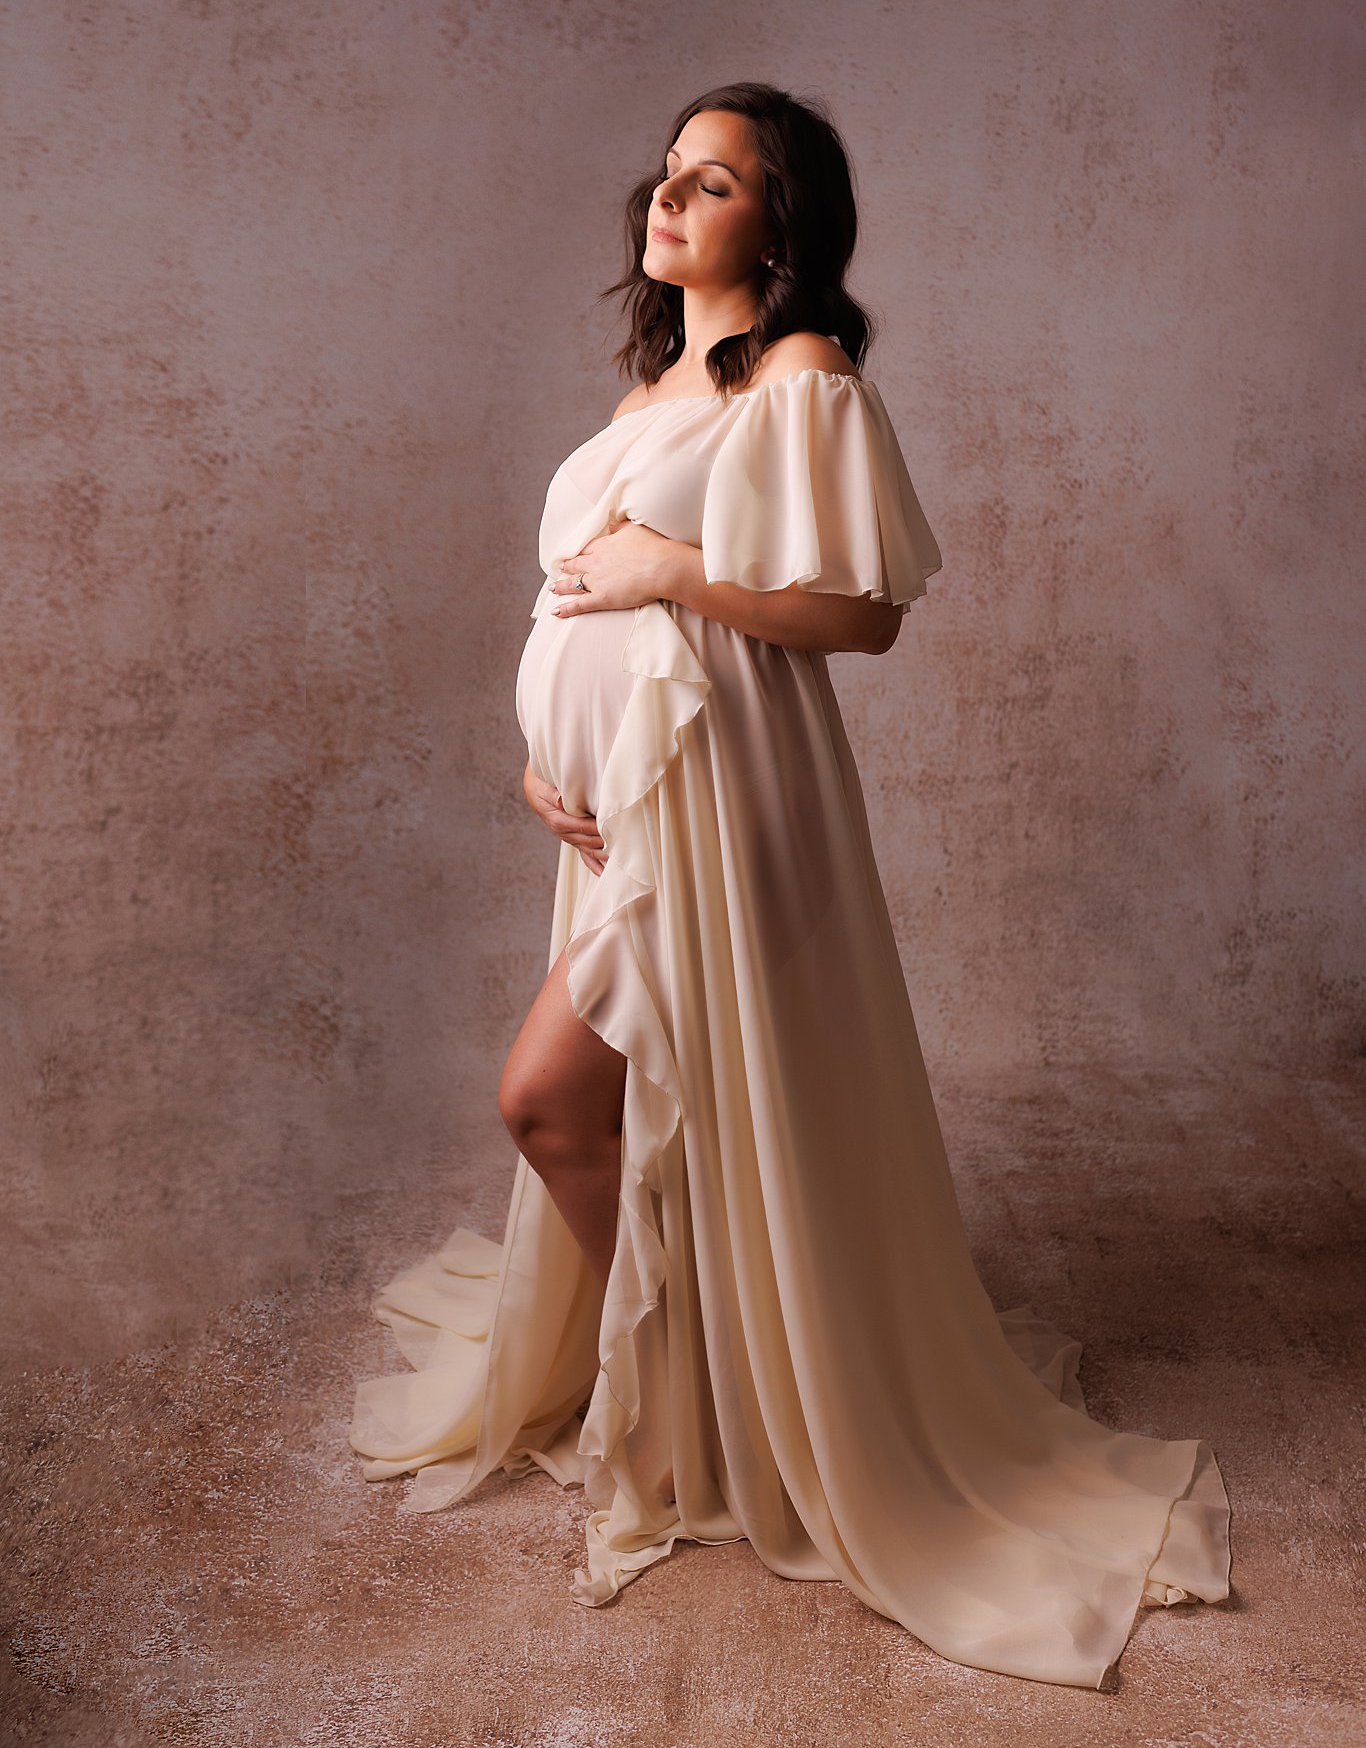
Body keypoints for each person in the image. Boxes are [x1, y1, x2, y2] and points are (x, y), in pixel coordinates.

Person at [349, 82, 1232, 1690]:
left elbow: (860, 614)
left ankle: (712, 1391)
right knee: (633, 1105)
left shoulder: (806, 378)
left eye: (718, 180)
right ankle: (686, 1380)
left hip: (727, 797)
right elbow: (577, 613)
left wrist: (669, 573)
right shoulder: (655, 378)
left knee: (552, 1100)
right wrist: (548, 764)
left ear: (782, 222)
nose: (672, 198)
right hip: (627, 811)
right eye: (668, 172)